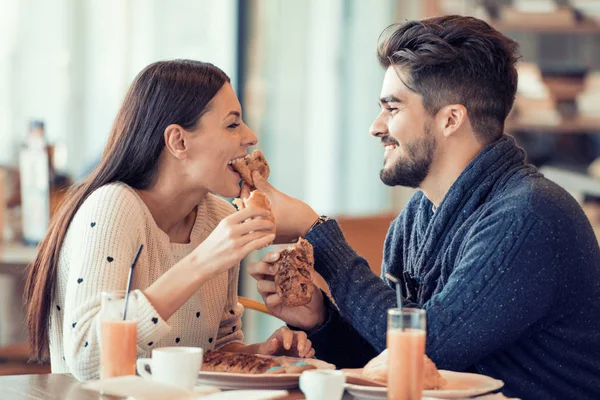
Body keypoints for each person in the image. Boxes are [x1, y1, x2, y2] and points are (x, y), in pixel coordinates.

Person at [248, 16, 600, 400]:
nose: (376, 126)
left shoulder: (529, 216)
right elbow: (391, 364)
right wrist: (321, 321)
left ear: (450, 119)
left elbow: (428, 352)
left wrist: (319, 236)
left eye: (392, 108)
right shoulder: (417, 216)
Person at [24, 60, 314, 381]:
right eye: (232, 125)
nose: (250, 136)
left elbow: (213, 350)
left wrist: (260, 354)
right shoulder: (113, 207)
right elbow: (89, 360)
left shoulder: (220, 217)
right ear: (178, 141)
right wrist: (203, 261)